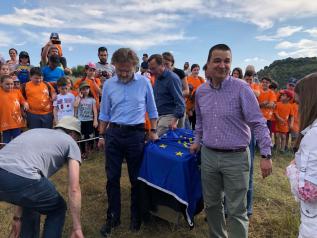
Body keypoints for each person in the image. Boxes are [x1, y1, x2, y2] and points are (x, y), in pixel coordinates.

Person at [190, 44, 272, 238]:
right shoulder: (201, 92)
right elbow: (200, 122)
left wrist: (266, 154)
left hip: (236, 158)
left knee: (236, 210)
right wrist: (197, 141)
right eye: (217, 60)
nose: (222, 65)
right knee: (212, 205)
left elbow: (258, 122)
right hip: (209, 155)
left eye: (227, 61)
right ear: (208, 64)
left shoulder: (242, 88)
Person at [98, 48, 158, 237]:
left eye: (127, 70)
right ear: (114, 66)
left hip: (136, 135)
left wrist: (153, 131)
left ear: (135, 66)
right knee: (112, 178)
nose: (123, 74)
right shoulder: (108, 84)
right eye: (120, 70)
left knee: (136, 178)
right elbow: (105, 112)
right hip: (114, 134)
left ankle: (136, 216)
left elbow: (152, 110)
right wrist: (101, 135)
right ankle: (113, 216)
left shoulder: (144, 82)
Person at [0, 116, 84, 238]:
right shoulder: (70, 142)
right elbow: (74, 188)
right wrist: (77, 227)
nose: (76, 141)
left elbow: (19, 170)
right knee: (58, 209)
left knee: (33, 202)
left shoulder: (34, 131)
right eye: (77, 138)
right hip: (24, 178)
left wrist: (17, 218)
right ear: (72, 133)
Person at [286, 73, 317, 238]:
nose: (297, 109)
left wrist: (291, 168)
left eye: (298, 103)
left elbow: (308, 191)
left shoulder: (313, 136)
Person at [148, 54, 185, 136]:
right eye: (150, 69)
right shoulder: (157, 77)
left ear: (162, 65)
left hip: (169, 116)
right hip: (158, 116)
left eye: (153, 68)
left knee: (155, 139)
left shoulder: (172, 78)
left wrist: (174, 120)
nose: (152, 72)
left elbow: (180, 101)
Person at [0, 75, 28, 143]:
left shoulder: (17, 91)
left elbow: (23, 101)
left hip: (16, 122)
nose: (10, 86)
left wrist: (25, 104)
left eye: (11, 84)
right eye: (7, 84)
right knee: (6, 143)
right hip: (5, 122)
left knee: (17, 142)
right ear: (1, 84)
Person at [74, 81, 98, 159]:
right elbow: (75, 105)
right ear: (80, 90)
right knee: (82, 137)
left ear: (89, 90)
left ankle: (90, 150)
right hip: (81, 121)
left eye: (87, 89)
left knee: (90, 135)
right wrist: (79, 97)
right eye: (83, 89)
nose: (85, 91)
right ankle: (83, 152)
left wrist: (95, 120)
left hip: (90, 120)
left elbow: (94, 111)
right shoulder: (78, 98)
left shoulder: (92, 100)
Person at [186, 63, 205, 130]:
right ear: (191, 70)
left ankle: (195, 139)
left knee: (196, 124)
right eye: (194, 70)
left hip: (198, 105)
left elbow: (204, 91)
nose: (196, 71)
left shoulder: (201, 79)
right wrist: (188, 109)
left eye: (197, 70)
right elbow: (186, 93)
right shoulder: (187, 79)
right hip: (189, 105)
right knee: (187, 125)